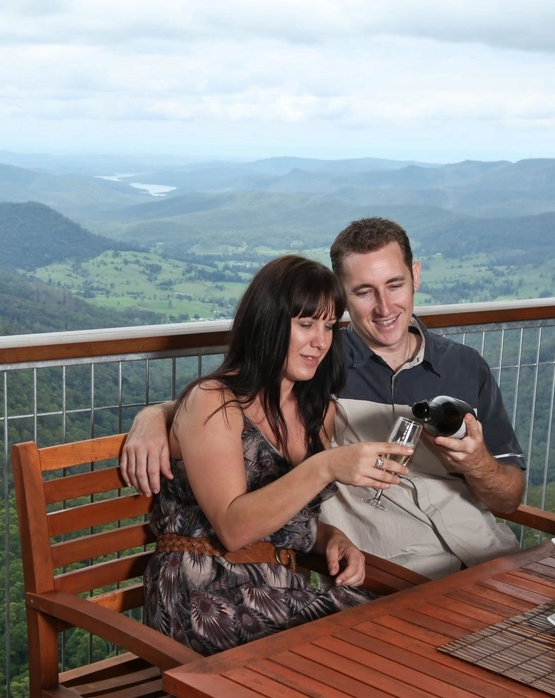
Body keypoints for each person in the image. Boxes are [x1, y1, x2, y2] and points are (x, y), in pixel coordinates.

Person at [123, 218, 525, 580]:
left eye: (395, 285)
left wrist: (479, 465)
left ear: (415, 276)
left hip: (489, 557)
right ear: (343, 295)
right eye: (364, 292)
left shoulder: (466, 367)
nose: (385, 307)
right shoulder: (321, 370)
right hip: (402, 578)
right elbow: (236, 398)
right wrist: (156, 415)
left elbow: (510, 498)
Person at [142, 255, 412, 655]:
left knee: (389, 628)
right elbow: (234, 528)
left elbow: (284, 513)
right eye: (305, 324)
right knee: (372, 638)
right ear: (268, 323)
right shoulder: (215, 402)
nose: (320, 341)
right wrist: (325, 466)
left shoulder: (316, 412)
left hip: (275, 588)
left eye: (329, 325)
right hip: (202, 595)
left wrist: (332, 538)